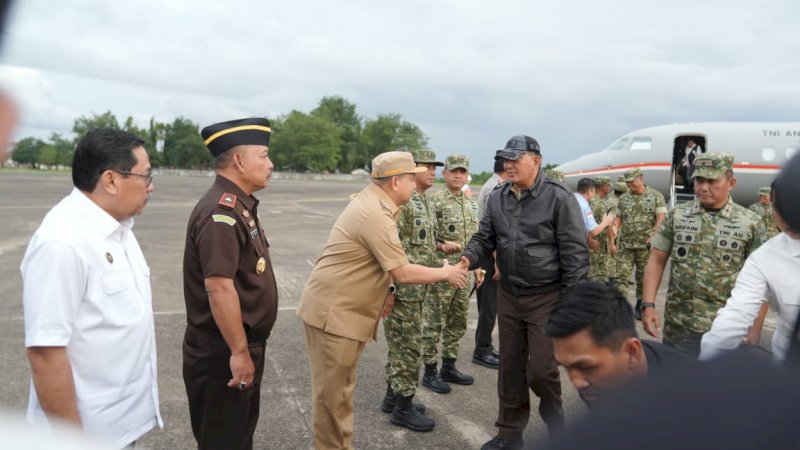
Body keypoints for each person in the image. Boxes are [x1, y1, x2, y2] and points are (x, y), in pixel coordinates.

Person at [297, 151, 468, 450]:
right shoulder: (375, 213)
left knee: (339, 395)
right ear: (396, 181)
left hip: (343, 313)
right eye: (411, 178)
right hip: (334, 315)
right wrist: (447, 273)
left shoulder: (380, 205)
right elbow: (401, 271)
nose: (415, 184)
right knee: (332, 401)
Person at [21, 128, 161, 447]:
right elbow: (45, 353)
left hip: (118, 429)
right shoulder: (62, 242)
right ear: (110, 180)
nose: (151, 187)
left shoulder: (118, 228)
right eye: (146, 176)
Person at [461, 135, 589, 450]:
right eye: (506, 159)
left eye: (515, 159)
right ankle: (509, 433)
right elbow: (484, 238)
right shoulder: (497, 197)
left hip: (547, 296)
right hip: (509, 293)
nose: (509, 164)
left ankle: (556, 425)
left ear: (536, 160)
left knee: (542, 369)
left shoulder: (559, 198)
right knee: (510, 366)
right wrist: (467, 258)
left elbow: (575, 255)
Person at [182, 118, 279, 449]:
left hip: (236, 346)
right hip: (222, 351)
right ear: (239, 160)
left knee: (238, 437)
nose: (271, 164)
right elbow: (219, 287)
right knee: (224, 441)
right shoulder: (220, 212)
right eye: (263, 156)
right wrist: (239, 351)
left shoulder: (238, 204)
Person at [641, 153, 766, 356]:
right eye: (699, 180)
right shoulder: (677, 216)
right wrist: (648, 305)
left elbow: (762, 281)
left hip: (726, 328)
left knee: (718, 386)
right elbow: (656, 260)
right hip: (679, 326)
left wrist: (756, 327)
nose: (704, 187)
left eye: (712, 180)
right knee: (676, 383)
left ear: (731, 183)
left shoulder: (750, 222)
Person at [381, 149, 451, 432]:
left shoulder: (421, 200)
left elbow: (418, 244)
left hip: (418, 289)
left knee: (403, 347)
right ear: (411, 172)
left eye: (435, 168)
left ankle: (393, 396)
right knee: (407, 350)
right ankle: (402, 407)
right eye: (426, 168)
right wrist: (390, 289)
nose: (432, 172)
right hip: (404, 290)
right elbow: (389, 248)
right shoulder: (405, 204)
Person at [547, 281, 689, 409]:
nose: (576, 382)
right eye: (566, 367)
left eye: (587, 367)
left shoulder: (689, 396)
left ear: (632, 352)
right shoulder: (599, 386)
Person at [700, 184, 800, 364]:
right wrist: (706, 367)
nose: (786, 215)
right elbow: (734, 317)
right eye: (779, 206)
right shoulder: (765, 258)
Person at [422, 154, 481, 392]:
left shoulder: (471, 203)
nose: (458, 175)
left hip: (464, 272)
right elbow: (425, 238)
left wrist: (478, 267)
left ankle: (449, 365)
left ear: (467, 176)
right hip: (442, 272)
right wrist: (440, 245)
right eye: (453, 171)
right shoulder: (434, 202)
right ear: (444, 173)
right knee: (435, 323)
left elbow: (476, 240)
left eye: (462, 172)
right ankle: (429, 371)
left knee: (458, 322)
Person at [613, 168, 667, 319]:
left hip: (645, 247)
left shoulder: (656, 196)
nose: (630, 185)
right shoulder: (624, 198)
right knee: (620, 277)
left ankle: (640, 304)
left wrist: (655, 235)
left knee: (643, 278)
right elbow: (618, 218)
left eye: (632, 182)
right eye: (628, 183)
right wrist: (615, 228)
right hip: (626, 246)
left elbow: (660, 218)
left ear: (641, 178)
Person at [473, 153, 507, 369]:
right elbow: (493, 229)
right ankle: (482, 350)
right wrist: (496, 260)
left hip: (486, 253)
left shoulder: (493, 183)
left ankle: (485, 346)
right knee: (488, 305)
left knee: (488, 304)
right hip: (488, 255)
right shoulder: (497, 187)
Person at [573, 178, 614, 254]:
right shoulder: (584, 205)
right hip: (578, 246)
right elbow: (593, 231)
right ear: (590, 191)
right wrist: (605, 222)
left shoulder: (569, 199)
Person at [587, 176, 616, 282]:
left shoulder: (590, 200)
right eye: (608, 186)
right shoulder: (597, 203)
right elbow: (607, 225)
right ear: (604, 187)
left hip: (593, 245)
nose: (609, 188)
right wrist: (612, 244)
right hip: (596, 247)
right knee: (598, 277)